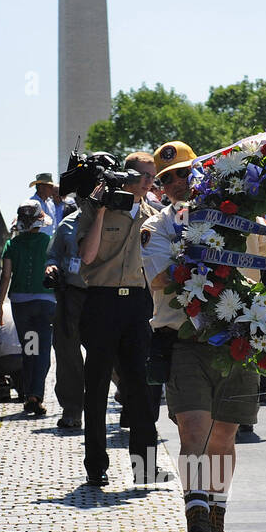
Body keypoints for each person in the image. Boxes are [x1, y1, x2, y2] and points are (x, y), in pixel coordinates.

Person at [142, 142, 262, 532]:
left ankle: (216, 516)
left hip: (237, 337)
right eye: (166, 178)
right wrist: (205, 269)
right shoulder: (159, 225)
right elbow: (158, 280)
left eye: (184, 172)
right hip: (184, 340)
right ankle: (195, 514)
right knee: (193, 430)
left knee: (224, 437)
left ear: (203, 172)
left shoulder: (236, 215)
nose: (177, 182)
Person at [74, 156, 163, 486]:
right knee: (95, 388)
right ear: (125, 176)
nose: (148, 182)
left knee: (140, 387)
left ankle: (146, 467)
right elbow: (87, 256)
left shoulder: (154, 216)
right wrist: (98, 210)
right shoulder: (96, 210)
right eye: (143, 176)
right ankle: (95, 465)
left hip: (138, 306)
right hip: (101, 302)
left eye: (152, 177)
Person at [0, 200, 54, 416]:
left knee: (30, 349)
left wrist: (0, 305)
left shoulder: (12, 244)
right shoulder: (48, 242)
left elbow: (5, 276)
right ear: (40, 222)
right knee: (43, 352)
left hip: (21, 305)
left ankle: (29, 393)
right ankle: (34, 395)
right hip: (45, 303)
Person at [45, 200, 87, 429]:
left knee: (113, 352)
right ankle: (72, 409)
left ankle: (128, 398)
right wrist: (51, 267)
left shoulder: (116, 219)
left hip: (105, 296)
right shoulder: (67, 225)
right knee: (67, 352)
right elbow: (52, 255)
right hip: (72, 294)